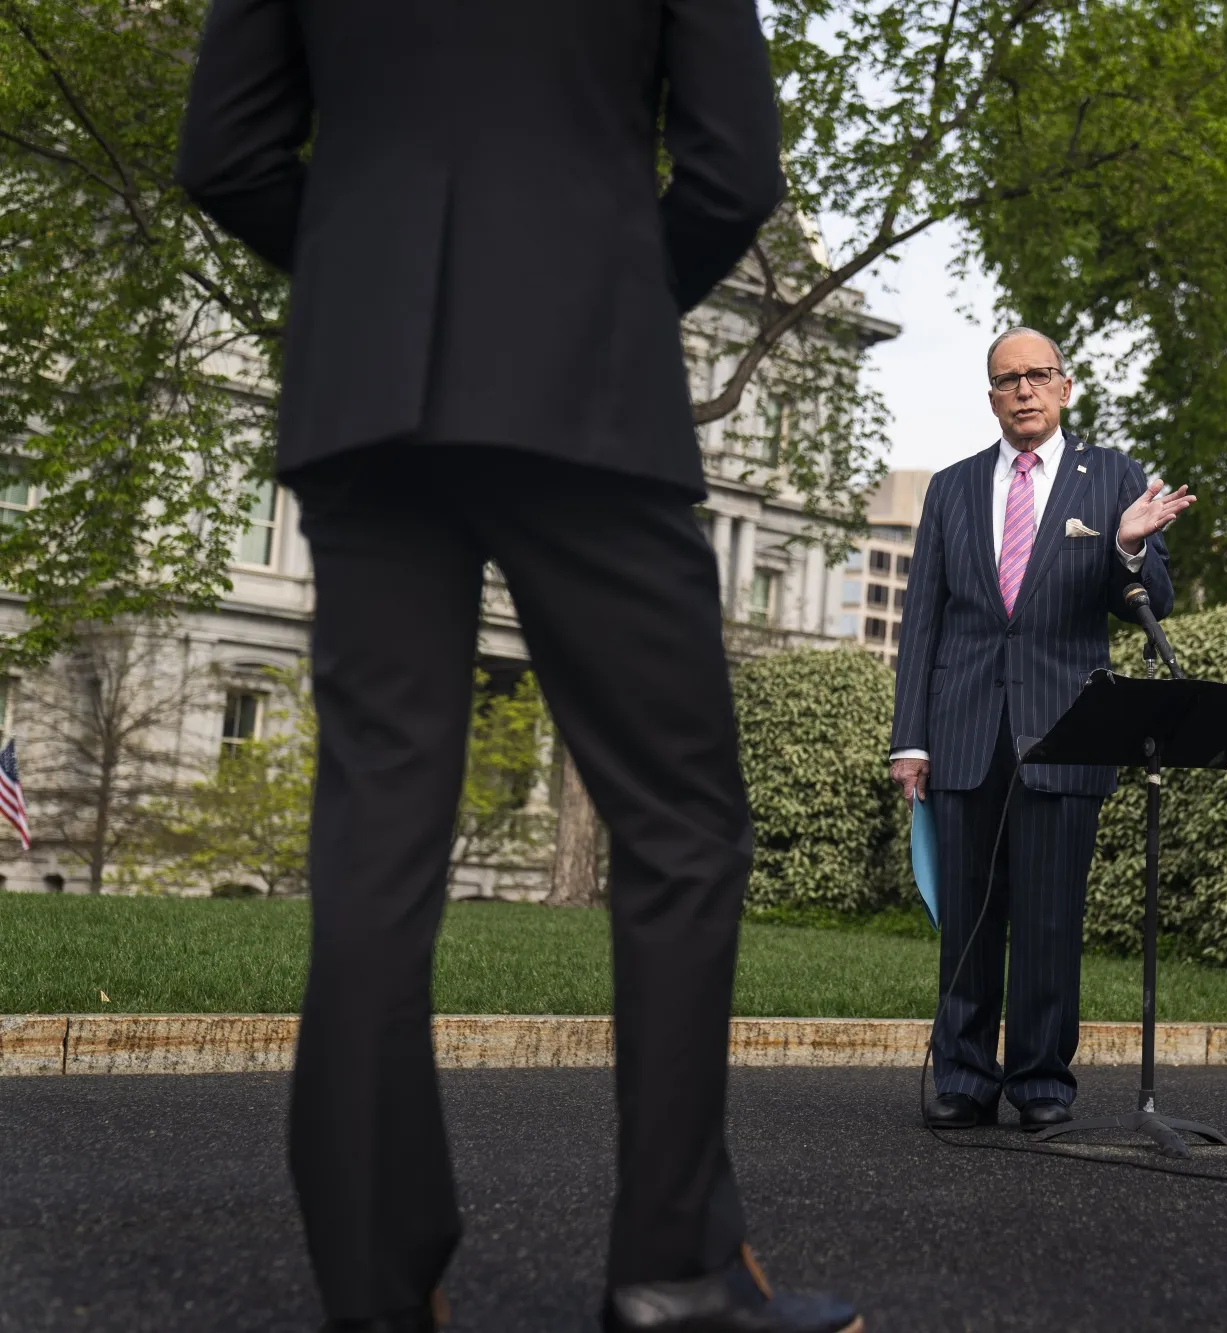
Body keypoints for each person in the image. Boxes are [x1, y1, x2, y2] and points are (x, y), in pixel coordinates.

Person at [176, 3, 860, 1331]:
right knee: (679, 824)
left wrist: (366, 272)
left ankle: (374, 1287)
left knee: (375, 837)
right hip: (583, 377)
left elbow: (226, 153)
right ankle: (672, 1266)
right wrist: (590, 286)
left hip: (363, 388)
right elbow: (734, 170)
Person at [890, 328, 1194, 1130]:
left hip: (1068, 730)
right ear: (990, 396)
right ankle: (961, 1075)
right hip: (963, 733)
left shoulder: (1113, 479)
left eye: (1037, 376)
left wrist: (1128, 543)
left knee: (1051, 918)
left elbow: (1152, 599)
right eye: (1006, 379)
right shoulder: (951, 489)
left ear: (1065, 387)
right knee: (968, 917)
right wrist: (909, 738)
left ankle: (1040, 1084)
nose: (1022, 390)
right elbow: (921, 620)